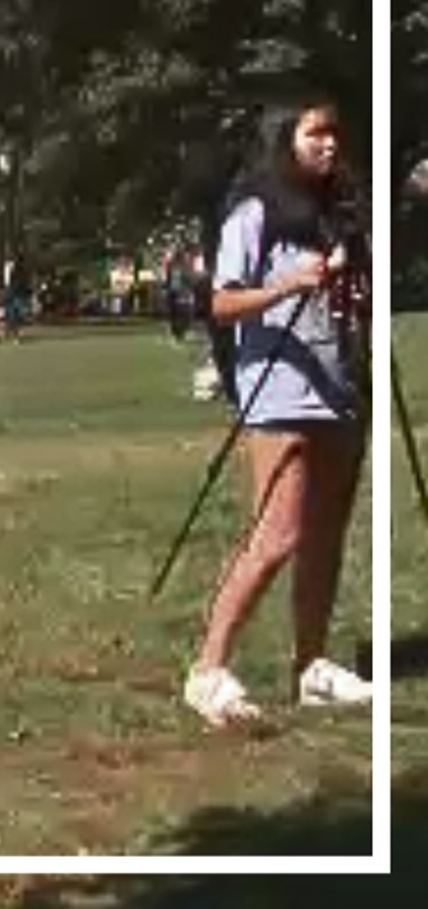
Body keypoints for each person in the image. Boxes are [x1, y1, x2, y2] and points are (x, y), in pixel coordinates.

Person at [183, 100, 371, 728]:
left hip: (340, 387)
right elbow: (224, 303)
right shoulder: (254, 212)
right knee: (277, 534)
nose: (328, 143)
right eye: (315, 132)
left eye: (333, 132)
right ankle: (208, 670)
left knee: (326, 536)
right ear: (285, 140)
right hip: (280, 393)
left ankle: (312, 666)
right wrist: (291, 285)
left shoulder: (338, 214)